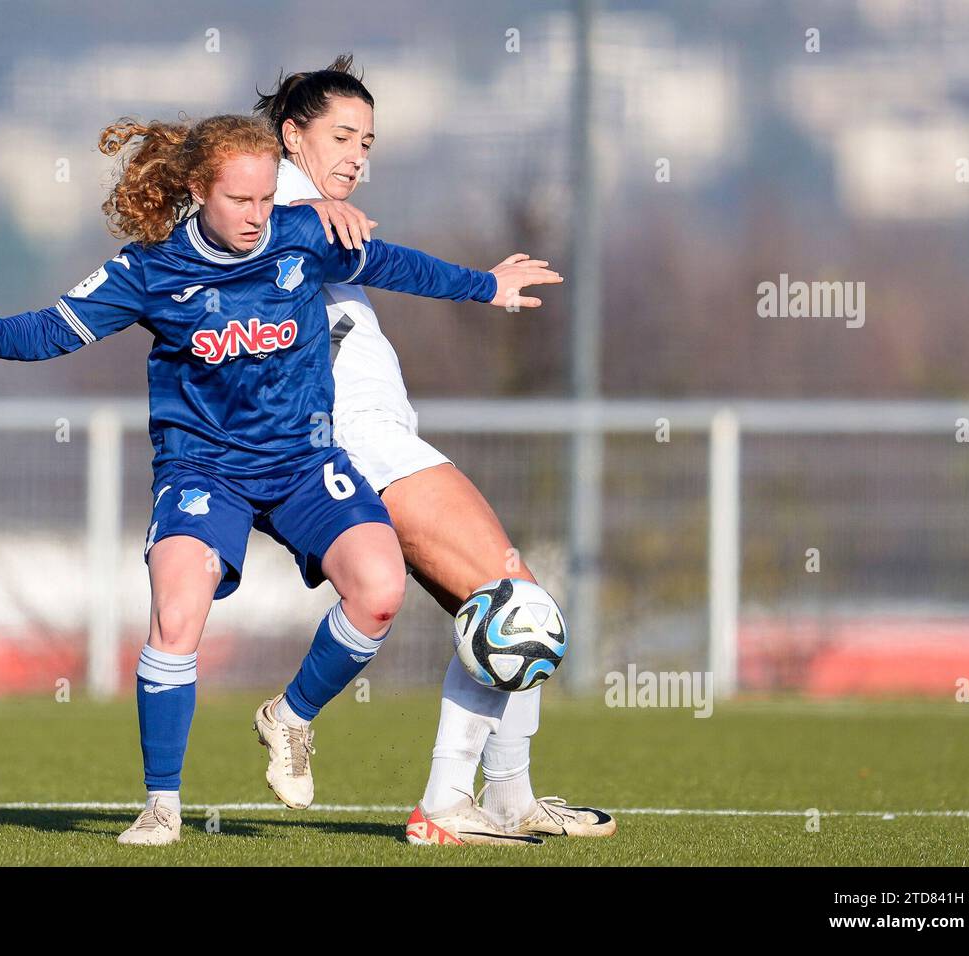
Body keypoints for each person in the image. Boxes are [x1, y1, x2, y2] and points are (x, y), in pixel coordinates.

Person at [0, 113, 561, 846]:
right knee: (178, 608)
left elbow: (394, 265)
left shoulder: (303, 235)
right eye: (240, 201)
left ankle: (290, 717)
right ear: (197, 191)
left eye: (267, 199)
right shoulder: (148, 270)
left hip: (305, 460)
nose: (256, 216)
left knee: (379, 588)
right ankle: (161, 805)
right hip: (204, 467)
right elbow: (49, 330)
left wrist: (484, 285)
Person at [254, 56, 617, 844]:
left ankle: (505, 798)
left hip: (376, 438)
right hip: (361, 442)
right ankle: (446, 803)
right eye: (341, 135)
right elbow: (388, 261)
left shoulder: (305, 212)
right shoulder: (280, 205)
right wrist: (482, 286)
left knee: (504, 603)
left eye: (369, 140)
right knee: (513, 603)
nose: (357, 154)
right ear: (290, 136)